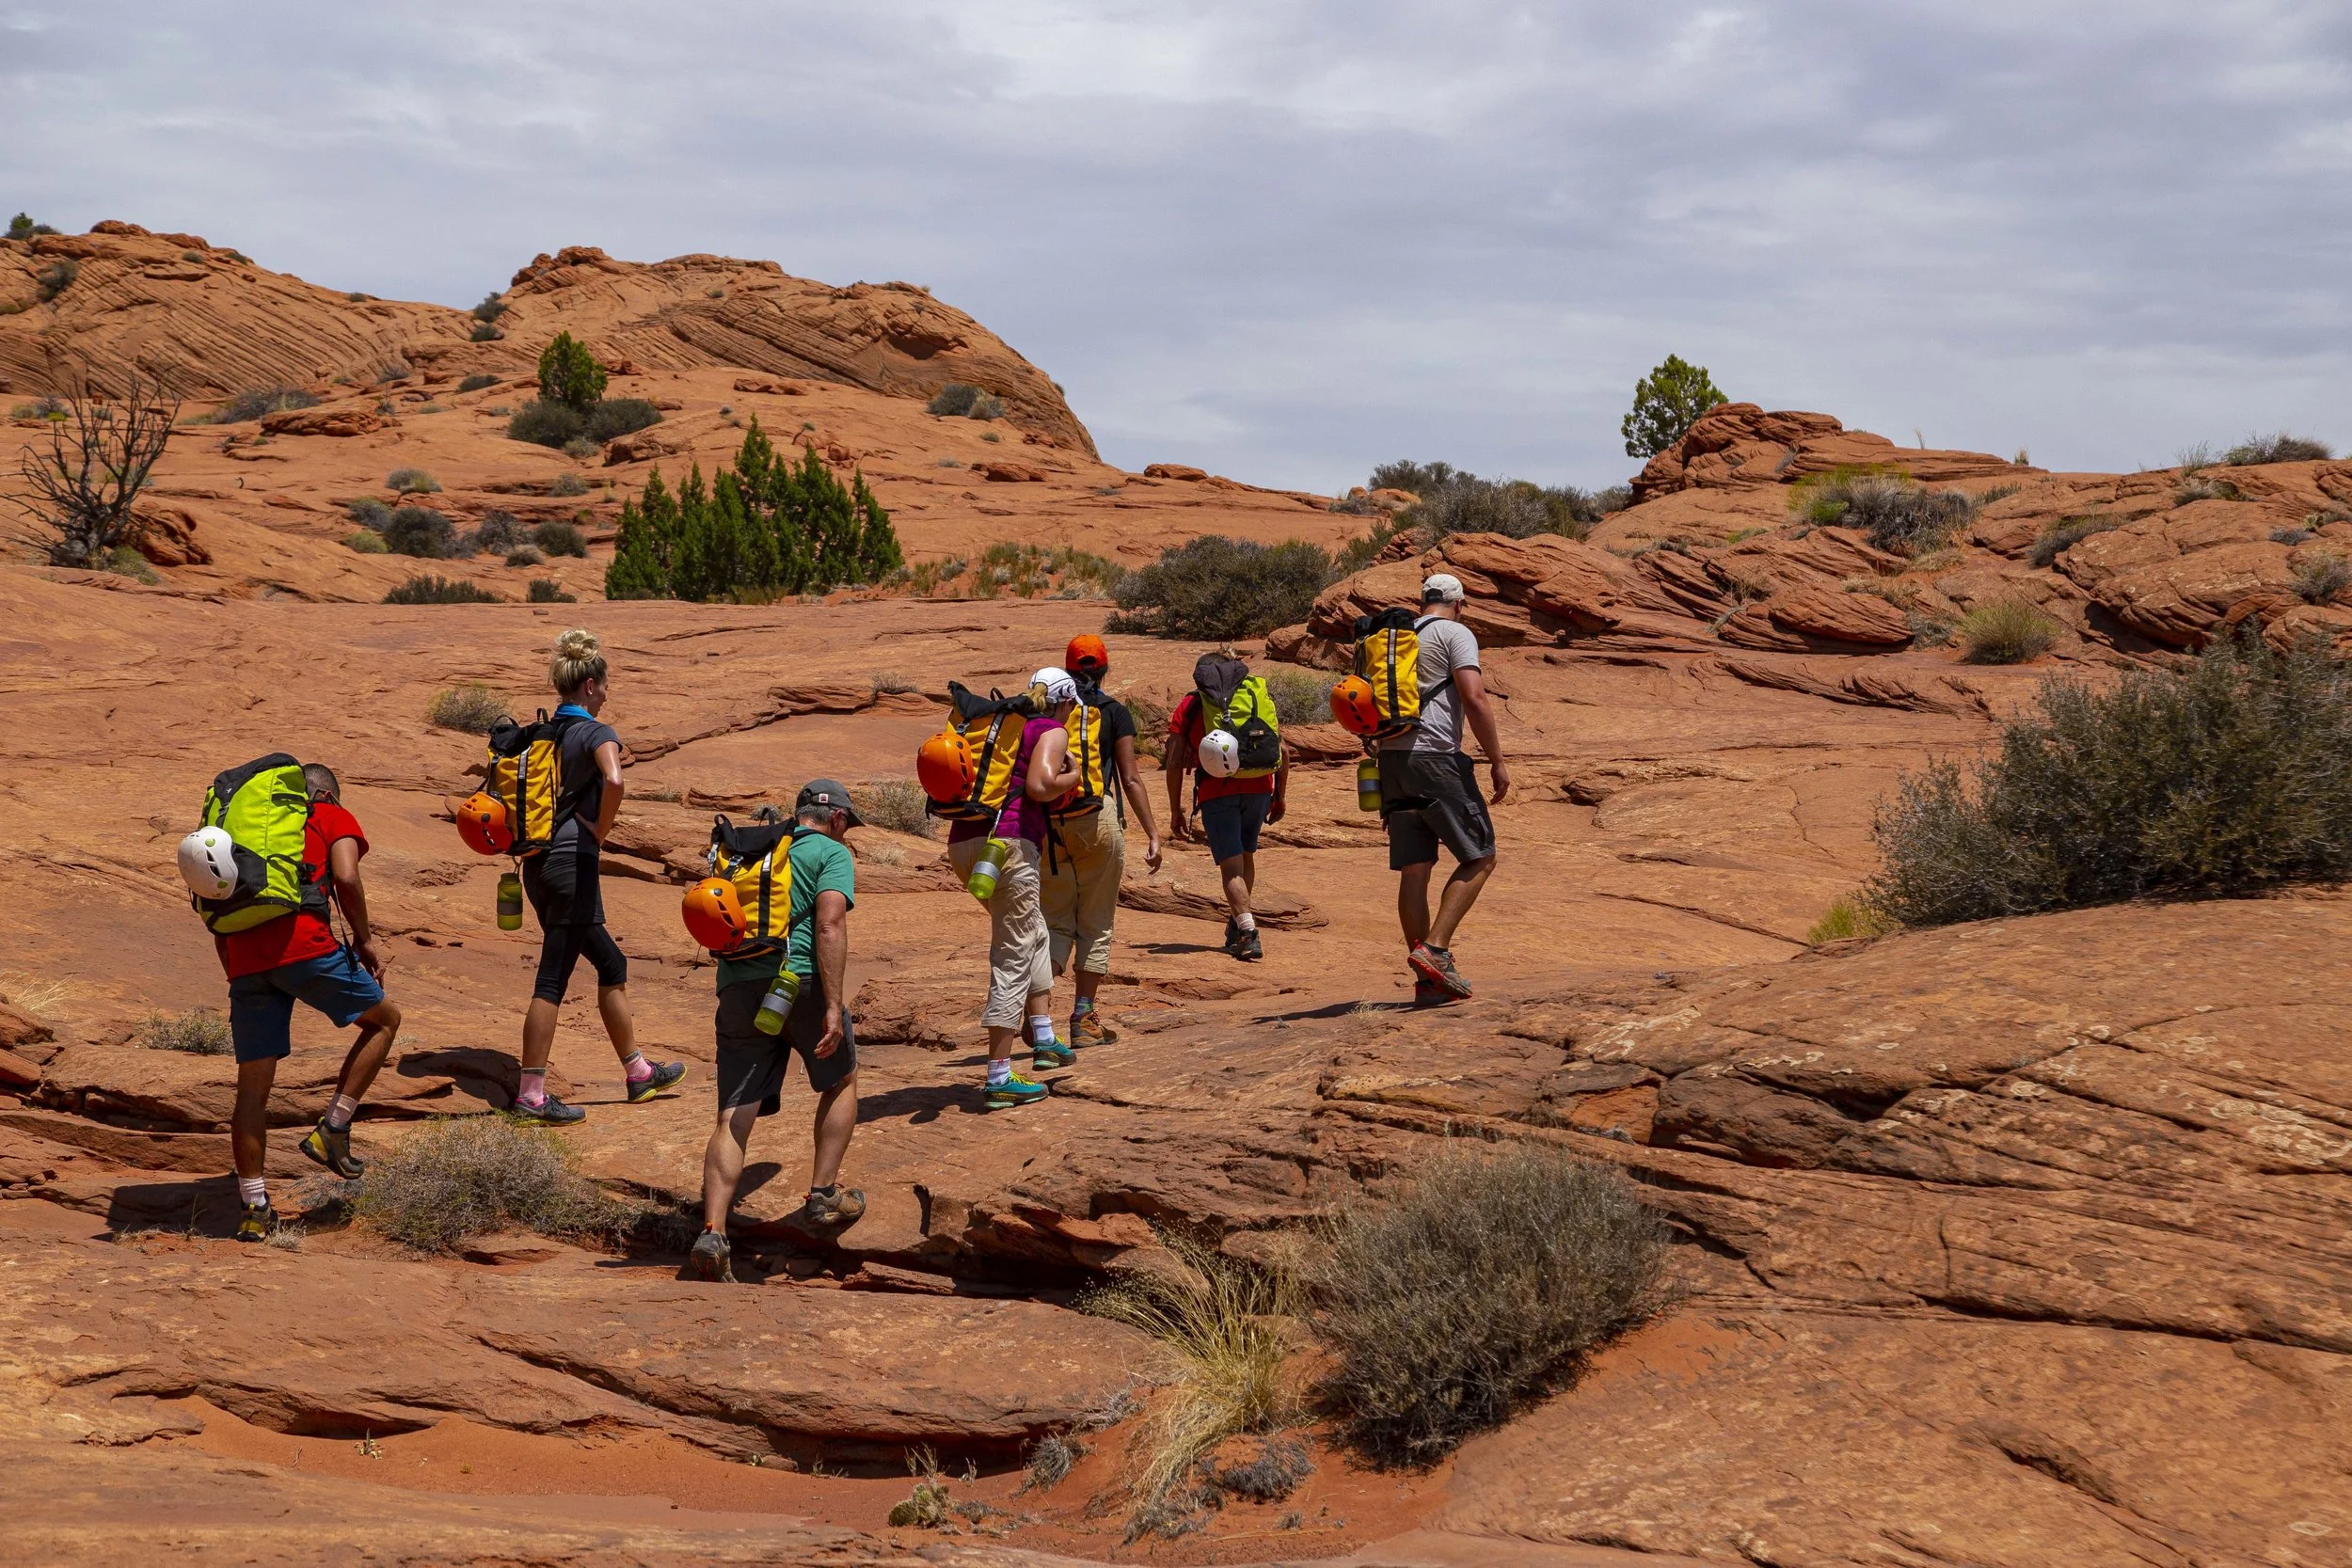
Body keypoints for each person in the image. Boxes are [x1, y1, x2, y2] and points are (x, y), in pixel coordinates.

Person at [216, 764, 403, 1242]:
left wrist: (239, 972)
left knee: (252, 1091)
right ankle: (333, 1128)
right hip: (307, 947)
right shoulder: (327, 813)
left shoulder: (242, 828)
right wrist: (363, 940)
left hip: (243, 957)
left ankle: (255, 1208)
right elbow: (346, 875)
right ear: (325, 793)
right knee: (384, 1020)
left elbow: (212, 903)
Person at [509, 628, 684, 1126]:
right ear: (588, 685)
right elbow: (615, 778)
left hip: (539, 866)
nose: (608, 693)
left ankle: (638, 1071)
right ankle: (532, 1094)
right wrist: (600, 828)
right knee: (552, 978)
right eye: (604, 685)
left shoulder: (541, 734)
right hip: (572, 864)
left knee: (610, 961)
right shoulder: (595, 732)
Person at [692, 782, 865, 1284]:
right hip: (801, 982)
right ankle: (823, 1196)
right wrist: (833, 1006)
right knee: (841, 1080)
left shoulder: (758, 851)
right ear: (835, 820)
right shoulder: (831, 853)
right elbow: (829, 927)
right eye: (848, 823)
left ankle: (713, 1233)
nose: (847, 832)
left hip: (739, 987)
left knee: (733, 1115)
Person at [946, 667, 1084, 1106]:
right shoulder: (1050, 728)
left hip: (966, 847)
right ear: (1065, 701)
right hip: (1009, 847)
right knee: (1014, 951)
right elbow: (1043, 786)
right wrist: (1074, 777)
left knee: (1035, 932)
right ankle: (999, 1075)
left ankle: (1042, 1037)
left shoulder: (1002, 727)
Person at [1380, 573, 1511, 1000]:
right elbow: (1474, 697)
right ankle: (1434, 951)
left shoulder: (1390, 637)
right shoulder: (1456, 632)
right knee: (1481, 856)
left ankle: (1427, 984)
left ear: (1422, 602)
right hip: (1435, 757)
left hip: (1390, 761)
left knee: (1415, 869)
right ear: (1459, 604)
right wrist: (1496, 760)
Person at [1041, 634, 1163, 1047]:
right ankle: (1083, 1019)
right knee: (1095, 925)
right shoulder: (1114, 712)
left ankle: (1032, 1009)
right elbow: (1129, 777)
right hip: (1097, 821)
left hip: (1049, 825)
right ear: (1105, 670)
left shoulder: (1048, 711)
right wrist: (1152, 832)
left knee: (1055, 923)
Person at [1165, 653, 1289, 962]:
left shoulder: (1193, 704)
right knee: (1245, 856)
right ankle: (1236, 924)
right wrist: (1280, 795)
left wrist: (1175, 809)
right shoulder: (1255, 696)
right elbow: (1282, 749)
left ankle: (1248, 932)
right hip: (1260, 788)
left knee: (1231, 866)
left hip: (1217, 792)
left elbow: (1175, 762)